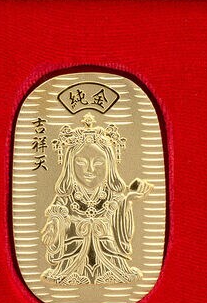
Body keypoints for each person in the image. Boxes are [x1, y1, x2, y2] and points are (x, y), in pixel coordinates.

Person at [41, 113, 153, 285]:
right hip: (74, 251)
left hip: (107, 251)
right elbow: (57, 213)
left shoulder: (112, 193)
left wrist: (129, 199)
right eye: (81, 162)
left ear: (110, 166)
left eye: (99, 163)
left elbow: (119, 214)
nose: (90, 170)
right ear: (70, 166)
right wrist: (53, 226)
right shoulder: (67, 195)